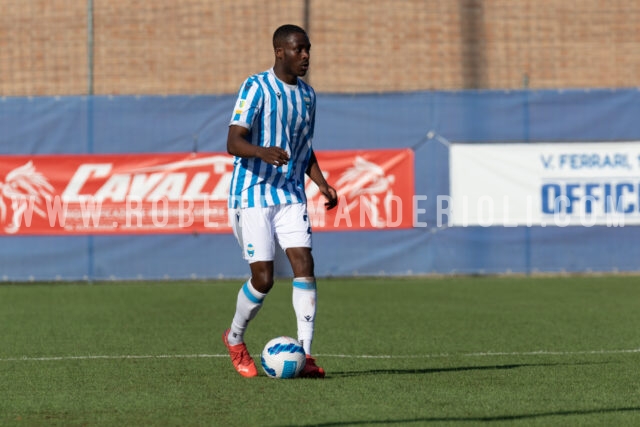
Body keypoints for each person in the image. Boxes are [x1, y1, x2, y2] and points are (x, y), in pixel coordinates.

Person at [222, 24, 338, 378]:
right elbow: (233, 141)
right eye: (298, 50)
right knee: (264, 278)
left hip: (290, 195)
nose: (305, 56)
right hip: (252, 193)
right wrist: (261, 152)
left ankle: (304, 354)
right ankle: (235, 338)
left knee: (305, 264)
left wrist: (322, 183)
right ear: (279, 51)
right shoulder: (256, 87)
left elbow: (304, 148)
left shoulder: (308, 96)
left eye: (308, 49)